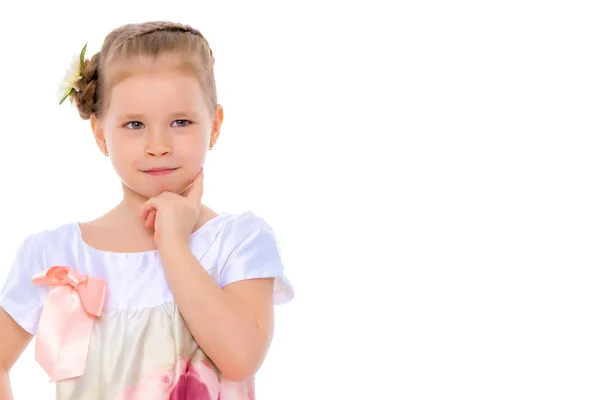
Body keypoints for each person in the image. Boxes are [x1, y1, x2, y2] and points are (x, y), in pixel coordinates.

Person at [0, 21, 294, 400]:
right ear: (100, 134)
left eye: (180, 122)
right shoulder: (54, 256)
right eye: (134, 124)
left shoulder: (238, 243)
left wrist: (172, 243)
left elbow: (240, 357)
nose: (158, 145)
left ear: (215, 125)